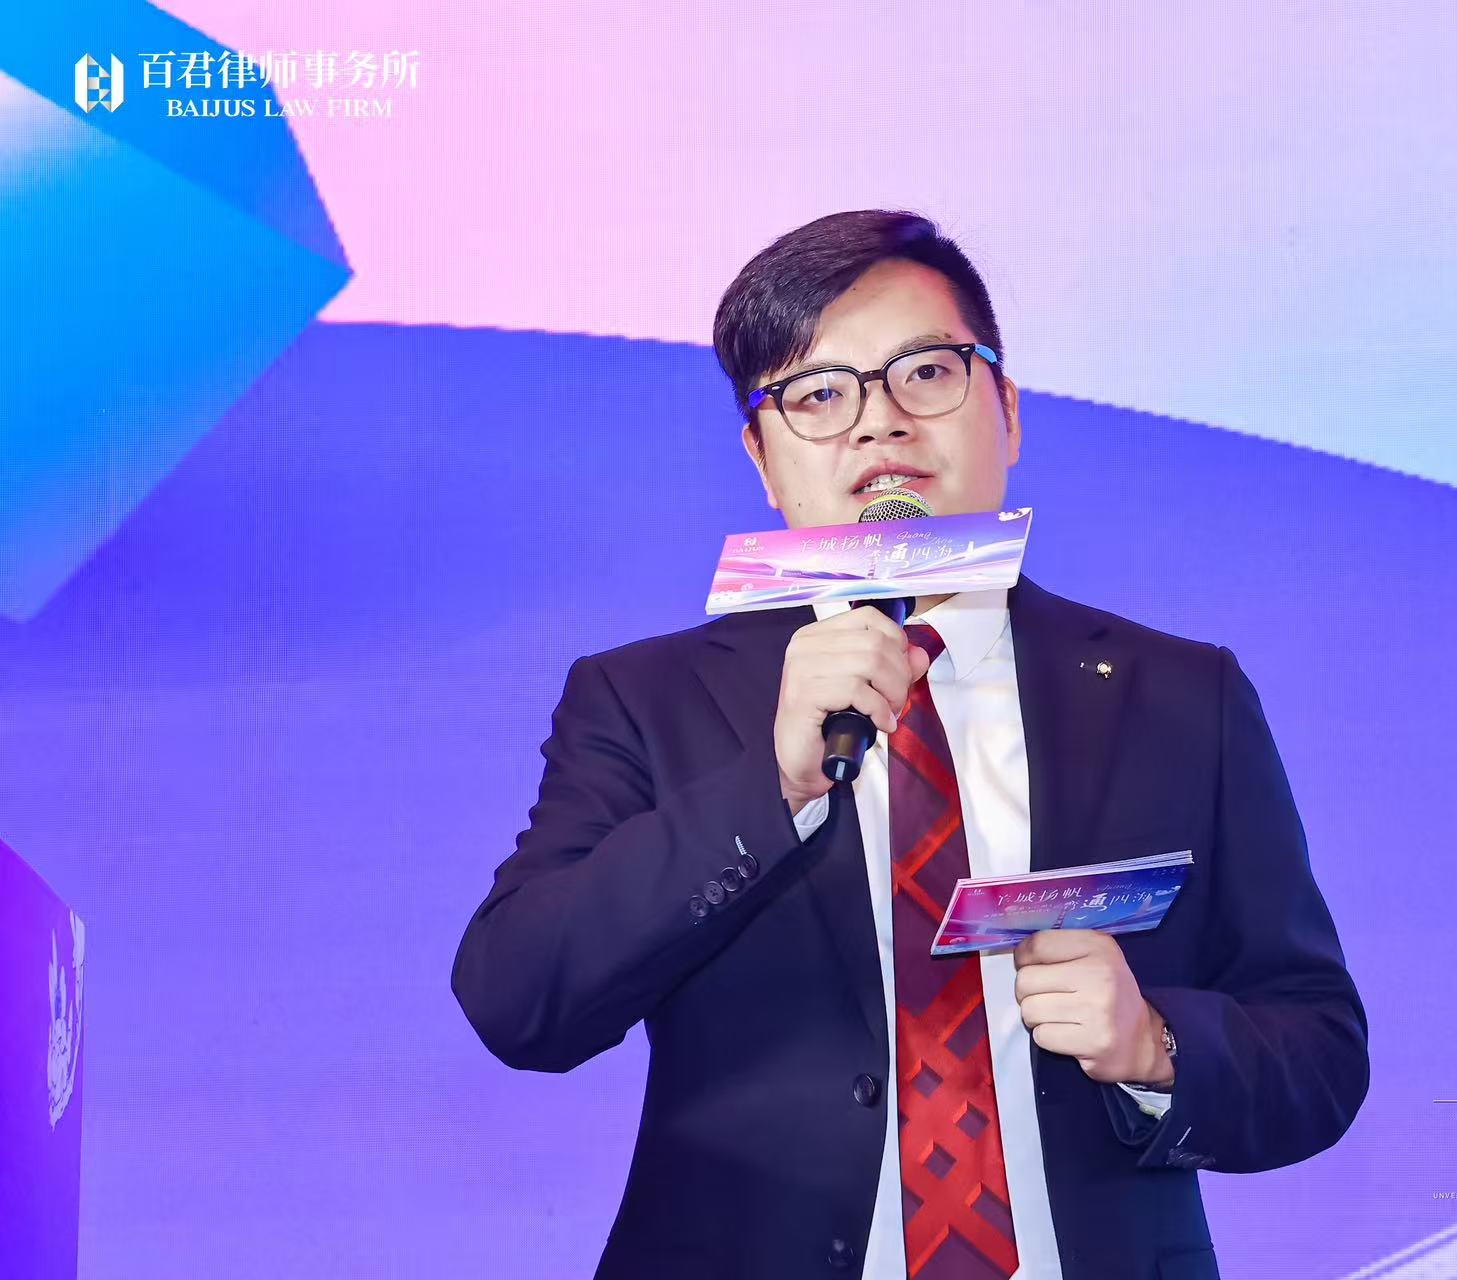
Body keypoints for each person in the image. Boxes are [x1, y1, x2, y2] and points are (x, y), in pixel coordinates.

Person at [451, 210, 1368, 1280]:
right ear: (762, 457)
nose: (880, 424)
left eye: (926, 372)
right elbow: (519, 1000)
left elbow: (1317, 1050)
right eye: (820, 394)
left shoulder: (1177, 693)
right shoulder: (645, 697)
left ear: (1007, 409)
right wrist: (770, 785)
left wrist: (1154, 1044)